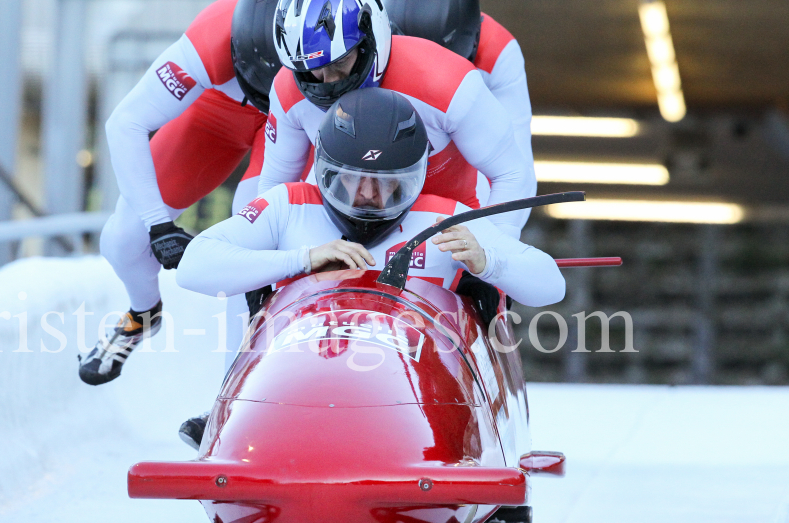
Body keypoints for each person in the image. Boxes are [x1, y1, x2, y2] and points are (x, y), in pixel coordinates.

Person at [176, 88, 564, 447]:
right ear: (327, 170)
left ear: (415, 176)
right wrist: (301, 260)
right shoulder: (287, 206)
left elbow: (550, 285)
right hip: (294, 386)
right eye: (353, 179)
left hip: (417, 401)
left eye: (387, 184)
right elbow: (194, 265)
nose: (367, 196)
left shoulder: (445, 220)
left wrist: (488, 261)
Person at [79, 0, 282, 385]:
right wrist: (158, 226)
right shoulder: (213, 37)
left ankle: (232, 391)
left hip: (292, 113)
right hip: (217, 114)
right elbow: (125, 122)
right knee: (122, 240)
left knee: (252, 238)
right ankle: (143, 312)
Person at [259, 0, 536, 240]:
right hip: (340, 227)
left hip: (447, 228)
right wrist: (266, 254)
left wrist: (490, 254)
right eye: (314, 70)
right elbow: (274, 187)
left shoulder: (446, 82)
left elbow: (512, 173)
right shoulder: (287, 91)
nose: (329, 83)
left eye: (338, 64)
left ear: (370, 40)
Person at [385, 0, 534, 205]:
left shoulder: (499, 51)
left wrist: (492, 234)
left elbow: (516, 170)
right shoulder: (373, 35)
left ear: (473, 41)